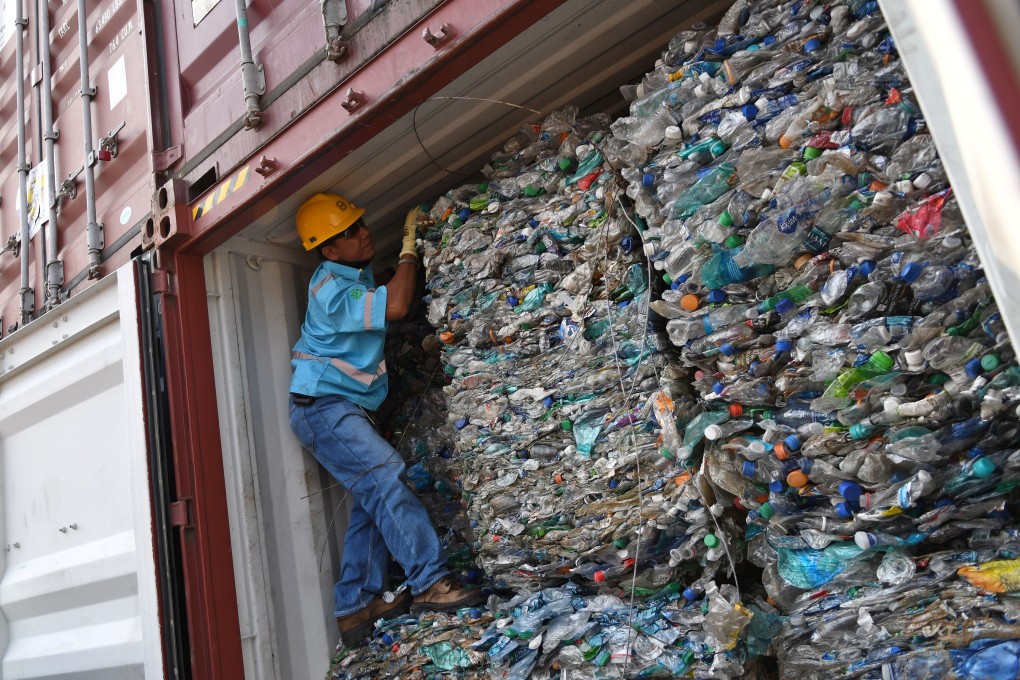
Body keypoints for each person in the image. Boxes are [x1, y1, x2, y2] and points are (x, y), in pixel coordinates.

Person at [287, 193, 483, 645]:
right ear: (329, 249)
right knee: (388, 476)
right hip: (323, 407)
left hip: (338, 408)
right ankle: (430, 583)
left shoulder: (351, 277)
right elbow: (395, 306)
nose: (363, 231)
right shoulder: (332, 289)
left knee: (372, 500)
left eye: (360, 222)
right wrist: (409, 249)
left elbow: (386, 297)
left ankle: (355, 607)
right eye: (349, 231)